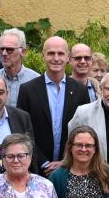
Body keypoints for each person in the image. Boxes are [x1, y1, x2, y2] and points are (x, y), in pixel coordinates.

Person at [18, 36, 91, 173]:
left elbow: (84, 130)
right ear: (43, 56)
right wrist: (43, 163)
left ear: (68, 57)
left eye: (61, 53)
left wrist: (66, 161)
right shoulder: (27, 90)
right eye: (51, 53)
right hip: (35, 168)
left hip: (71, 168)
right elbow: (22, 131)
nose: (56, 58)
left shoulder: (80, 91)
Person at [67, 71, 109, 170]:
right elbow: (70, 143)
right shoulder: (83, 112)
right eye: (108, 89)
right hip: (94, 173)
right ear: (101, 89)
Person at [0, 28, 38, 107]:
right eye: (1, 49)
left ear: (23, 52)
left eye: (9, 49)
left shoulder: (35, 81)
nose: (4, 53)